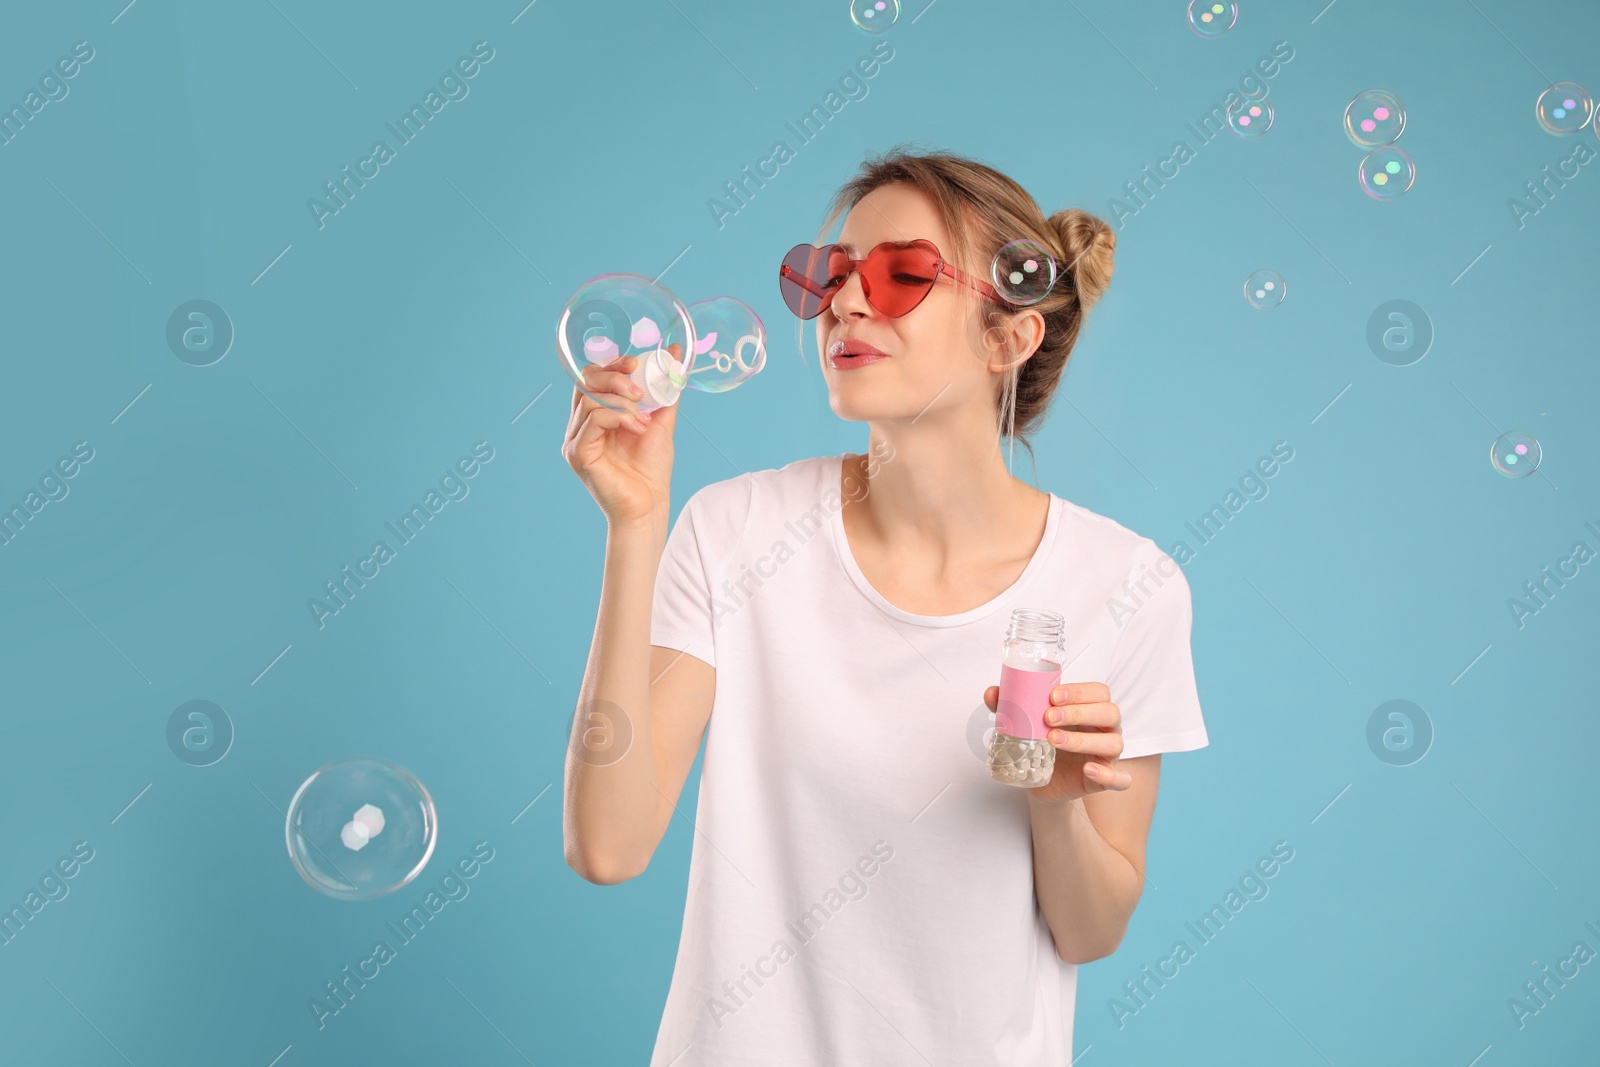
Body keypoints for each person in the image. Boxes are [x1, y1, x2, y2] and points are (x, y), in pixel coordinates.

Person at [562, 145, 1209, 1064]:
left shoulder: (1128, 584)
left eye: (904, 275)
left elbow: (1091, 931)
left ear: (1007, 337)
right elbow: (607, 845)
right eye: (831, 274)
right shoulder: (736, 530)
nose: (847, 303)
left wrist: (1056, 803)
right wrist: (635, 523)